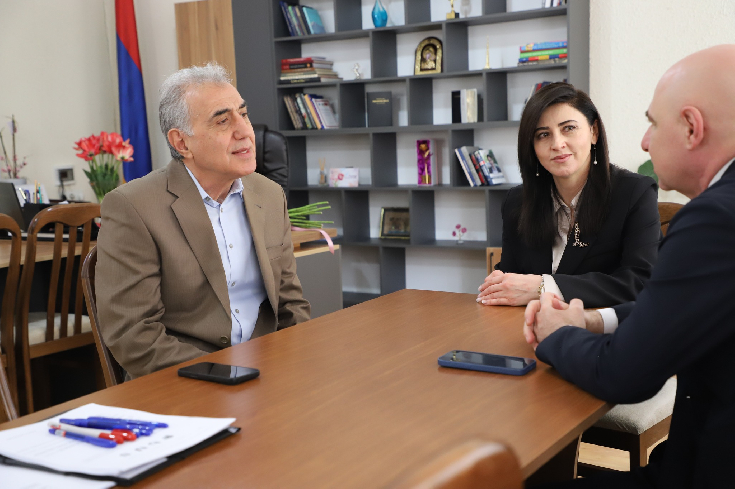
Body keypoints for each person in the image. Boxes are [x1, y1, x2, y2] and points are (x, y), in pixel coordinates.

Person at [525, 45, 735, 488]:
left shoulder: (713, 218)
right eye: (543, 134)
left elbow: (625, 373)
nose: (644, 141)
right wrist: (592, 320)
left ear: (692, 127)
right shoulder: (521, 202)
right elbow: (679, 305)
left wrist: (557, 333)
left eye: (653, 123)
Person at [96, 63, 310, 379]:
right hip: (185, 379)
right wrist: (229, 374)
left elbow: (291, 302)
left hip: (268, 368)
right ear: (182, 143)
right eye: (223, 121)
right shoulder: (134, 207)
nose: (244, 131)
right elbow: (133, 333)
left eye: (244, 114)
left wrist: (299, 361)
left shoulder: (269, 194)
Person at [477, 83, 660, 308]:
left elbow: (640, 282)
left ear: (593, 132)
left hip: (601, 326)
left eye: (569, 128)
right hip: (527, 324)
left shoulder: (634, 193)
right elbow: (510, 276)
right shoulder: (517, 201)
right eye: (543, 134)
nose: (557, 144)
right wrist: (498, 284)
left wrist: (544, 286)